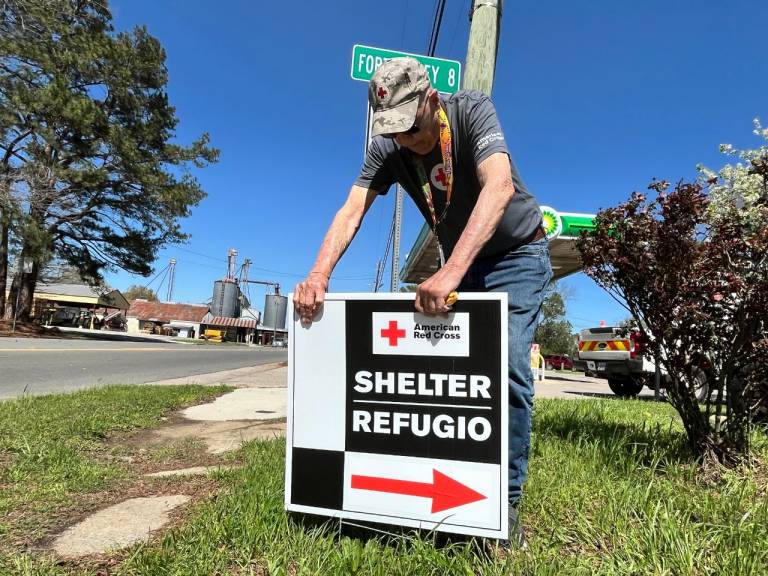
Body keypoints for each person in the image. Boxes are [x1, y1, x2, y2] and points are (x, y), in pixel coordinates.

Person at [293, 57, 552, 548]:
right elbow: (351, 210)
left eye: (411, 128)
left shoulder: (472, 110)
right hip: (463, 260)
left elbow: (498, 186)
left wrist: (451, 269)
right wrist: (317, 276)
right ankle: (446, 491)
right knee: (451, 379)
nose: (406, 141)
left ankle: (505, 506)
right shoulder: (387, 147)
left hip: (516, 251)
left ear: (432, 100)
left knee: (508, 366)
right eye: (395, 132)